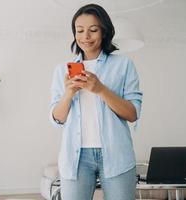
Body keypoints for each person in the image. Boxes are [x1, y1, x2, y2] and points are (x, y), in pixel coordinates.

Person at [49, 3, 143, 200]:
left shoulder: (123, 65)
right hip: (75, 157)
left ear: (104, 31)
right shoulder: (62, 70)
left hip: (116, 154)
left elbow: (132, 113)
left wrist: (100, 89)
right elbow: (57, 118)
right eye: (80, 30)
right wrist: (68, 94)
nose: (86, 37)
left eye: (93, 30)